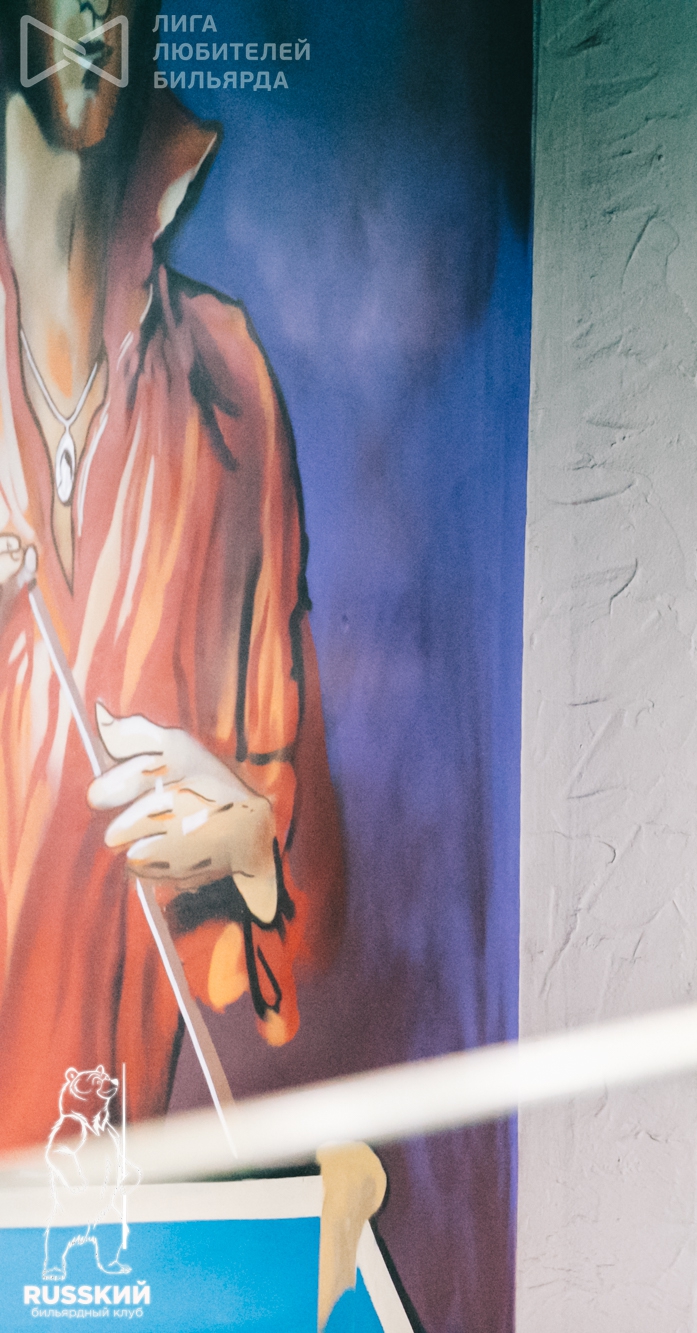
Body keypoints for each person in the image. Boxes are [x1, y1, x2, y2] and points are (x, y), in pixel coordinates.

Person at [0, 0, 343, 1147]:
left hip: (117, 1140)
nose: (88, 14)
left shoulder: (225, 383)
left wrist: (243, 836)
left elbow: (297, 849)